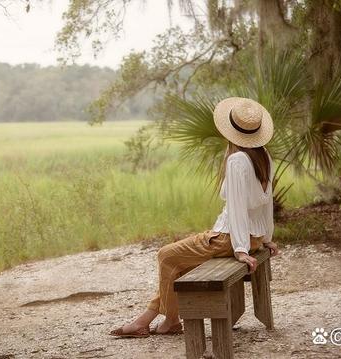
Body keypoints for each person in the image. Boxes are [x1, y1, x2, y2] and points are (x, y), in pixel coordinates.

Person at [109, 97, 280, 338]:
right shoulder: (263, 156)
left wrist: (241, 249)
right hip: (251, 237)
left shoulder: (237, 161)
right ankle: (145, 320)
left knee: (166, 255)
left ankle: (170, 321)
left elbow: (239, 208)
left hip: (228, 237)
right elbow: (266, 203)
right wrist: (266, 238)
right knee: (176, 264)